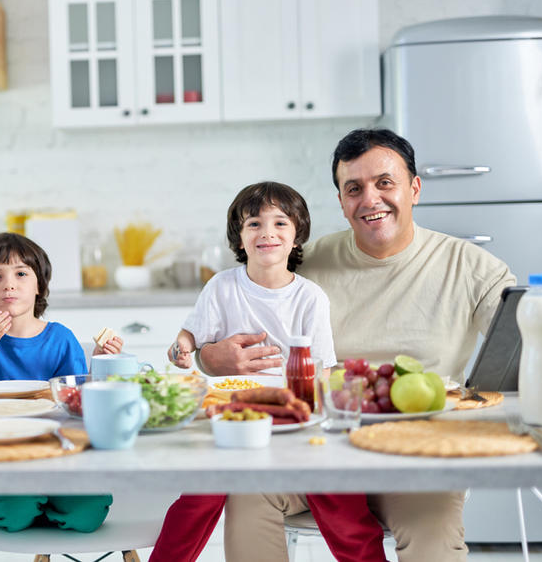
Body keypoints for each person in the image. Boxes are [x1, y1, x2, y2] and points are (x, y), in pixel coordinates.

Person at [212, 129, 516, 562]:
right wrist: (214, 357)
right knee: (246, 491)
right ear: (341, 201)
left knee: (433, 538)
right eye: (354, 188)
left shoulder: (469, 266)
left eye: (385, 183)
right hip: (317, 453)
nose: (370, 199)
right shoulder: (303, 264)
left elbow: (526, 343)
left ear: (414, 188)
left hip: (417, 457)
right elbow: (230, 325)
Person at [151, 181, 392, 562]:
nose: (267, 233)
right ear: (239, 238)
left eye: (280, 223)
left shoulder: (309, 296)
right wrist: (181, 349)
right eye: (253, 224)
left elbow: (323, 370)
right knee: (198, 499)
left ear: (297, 236)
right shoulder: (221, 287)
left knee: (340, 501)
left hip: (296, 416)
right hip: (233, 416)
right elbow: (191, 336)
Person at [0, 232, 122, 532]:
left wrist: (100, 364)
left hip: (57, 450)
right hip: (0, 453)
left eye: (20, 273)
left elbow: (79, 403)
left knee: (89, 514)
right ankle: (33, 500)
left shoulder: (61, 338)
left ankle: (47, 498)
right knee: (11, 516)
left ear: (39, 285)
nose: (9, 284)